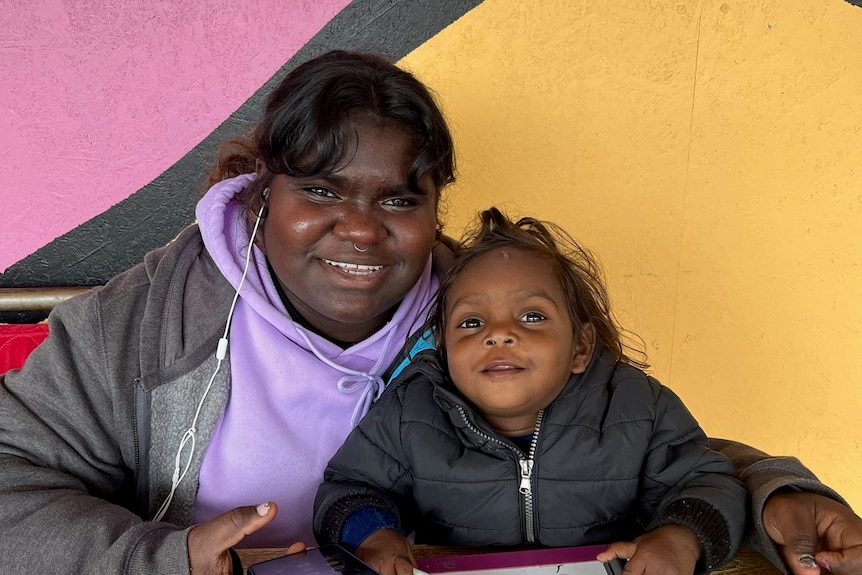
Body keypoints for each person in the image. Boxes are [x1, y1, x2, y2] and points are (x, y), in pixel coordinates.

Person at [0, 49, 859, 575]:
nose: (362, 229)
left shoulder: (480, 314)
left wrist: (775, 487)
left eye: (400, 198)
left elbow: (634, 434)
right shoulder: (149, 322)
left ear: (434, 208)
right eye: (322, 188)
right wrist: (161, 560)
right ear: (264, 189)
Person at [313, 207, 749, 575]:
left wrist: (679, 537)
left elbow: (707, 481)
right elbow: (351, 486)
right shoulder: (412, 412)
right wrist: (372, 532)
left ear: (580, 346)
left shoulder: (637, 407)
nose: (498, 334)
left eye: (532, 317)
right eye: (471, 322)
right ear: (444, 351)